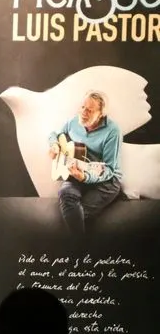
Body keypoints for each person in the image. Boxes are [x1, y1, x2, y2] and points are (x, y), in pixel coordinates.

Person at [47, 91, 122, 234]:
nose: (83, 112)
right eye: (82, 107)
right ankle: (80, 250)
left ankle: (77, 251)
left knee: (73, 215)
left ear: (101, 114)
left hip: (106, 181)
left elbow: (109, 169)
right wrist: (54, 145)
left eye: (89, 110)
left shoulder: (112, 131)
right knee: (65, 192)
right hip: (77, 175)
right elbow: (54, 134)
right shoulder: (73, 122)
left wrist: (86, 177)